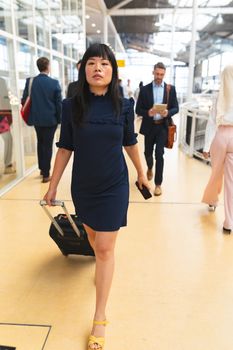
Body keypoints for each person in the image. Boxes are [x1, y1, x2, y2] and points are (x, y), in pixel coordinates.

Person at [43, 43, 149, 349]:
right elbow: (65, 147)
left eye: (104, 63)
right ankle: (101, 265)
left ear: (113, 70)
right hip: (84, 186)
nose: (98, 68)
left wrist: (141, 173)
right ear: (83, 69)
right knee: (92, 237)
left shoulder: (124, 105)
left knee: (104, 247)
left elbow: (129, 142)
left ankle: (100, 315)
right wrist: (52, 186)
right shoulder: (71, 104)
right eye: (92, 63)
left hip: (114, 184)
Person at [136, 62, 179, 196]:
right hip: (149, 127)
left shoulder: (170, 89)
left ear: (164, 74)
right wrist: (148, 112)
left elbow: (176, 107)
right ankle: (149, 167)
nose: (159, 76)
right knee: (147, 153)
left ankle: (158, 184)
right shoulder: (144, 90)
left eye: (162, 74)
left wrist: (168, 112)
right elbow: (138, 109)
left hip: (162, 127)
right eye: (157, 74)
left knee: (159, 154)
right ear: (153, 72)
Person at [202, 65, 233, 234]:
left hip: (220, 137)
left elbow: (212, 122)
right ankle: (229, 222)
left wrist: (206, 146)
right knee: (231, 182)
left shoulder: (218, 95)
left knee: (216, 173)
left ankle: (212, 200)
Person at [22, 57, 62, 183]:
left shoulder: (30, 81)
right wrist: (60, 119)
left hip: (37, 119)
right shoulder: (54, 83)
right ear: (48, 67)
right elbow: (59, 104)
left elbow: (24, 100)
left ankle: (41, 168)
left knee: (40, 142)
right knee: (48, 145)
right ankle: (46, 173)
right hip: (51, 120)